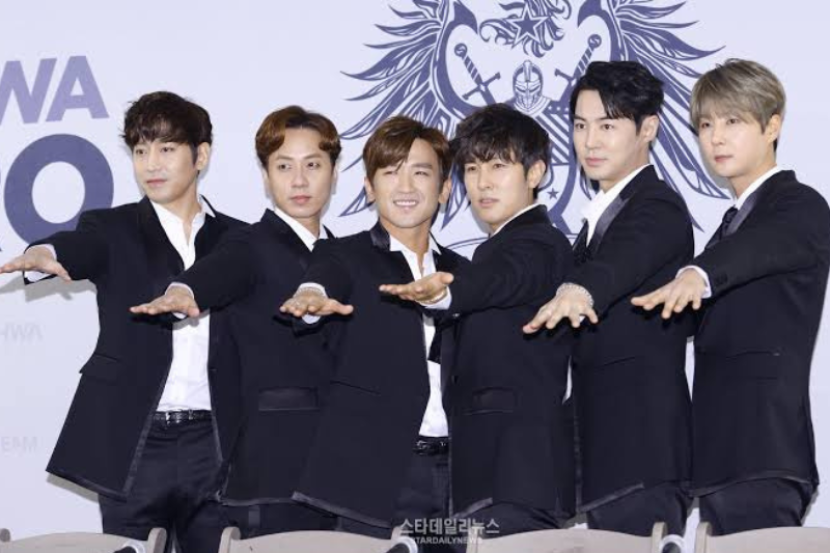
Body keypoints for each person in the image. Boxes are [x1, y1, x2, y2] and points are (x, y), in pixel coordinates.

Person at [0, 91, 244, 553]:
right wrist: (46, 252)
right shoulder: (111, 229)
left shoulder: (239, 238)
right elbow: (80, 247)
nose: (151, 164)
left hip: (215, 444)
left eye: (166, 148)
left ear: (201, 156)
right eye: (140, 150)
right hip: (136, 441)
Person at [632, 59, 830, 535]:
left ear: (772, 126)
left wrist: (697, 272)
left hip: (763, 455)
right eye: (705, 125)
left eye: (733, 121)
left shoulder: (799, 205)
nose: (716, 138)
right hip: (718, 462)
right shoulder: (727, 229)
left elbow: (757, 248)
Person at [130, 105, 341, 537]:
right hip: (271, 480)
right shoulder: (248, 245)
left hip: (343, 478)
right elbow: (215, 274)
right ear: (265, 176)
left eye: (313, 165)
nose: (299, 181)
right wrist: (183, 292)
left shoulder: (346, 256)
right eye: (284, 166)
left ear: (334, 173)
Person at [380, 104, 575, 537]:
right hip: (482, 482)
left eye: (499, 166)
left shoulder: (540, 244)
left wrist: (449, 292)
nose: (483, 182)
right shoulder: (492, 250)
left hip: (516, 480)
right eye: (472, 168)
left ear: (535, 172)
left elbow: (504, 278)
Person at [280, 116, 467, 551]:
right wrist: (311, 295)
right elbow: (323, 277)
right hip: (372, 480)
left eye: (420, 172)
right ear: (369, 187)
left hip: (455, 480)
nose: (406, 186)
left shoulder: (465, 273)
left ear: (444, 189)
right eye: (390, 172)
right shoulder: (343, 256)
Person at [524, 61, 694, 536]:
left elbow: (622, 261)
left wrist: (580, 289)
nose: (590, 141)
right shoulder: (599, 218)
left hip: (642, 457)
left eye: (607, 125)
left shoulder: (657, 206)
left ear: (648, 129)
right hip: (605, 459)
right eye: (580, 126)